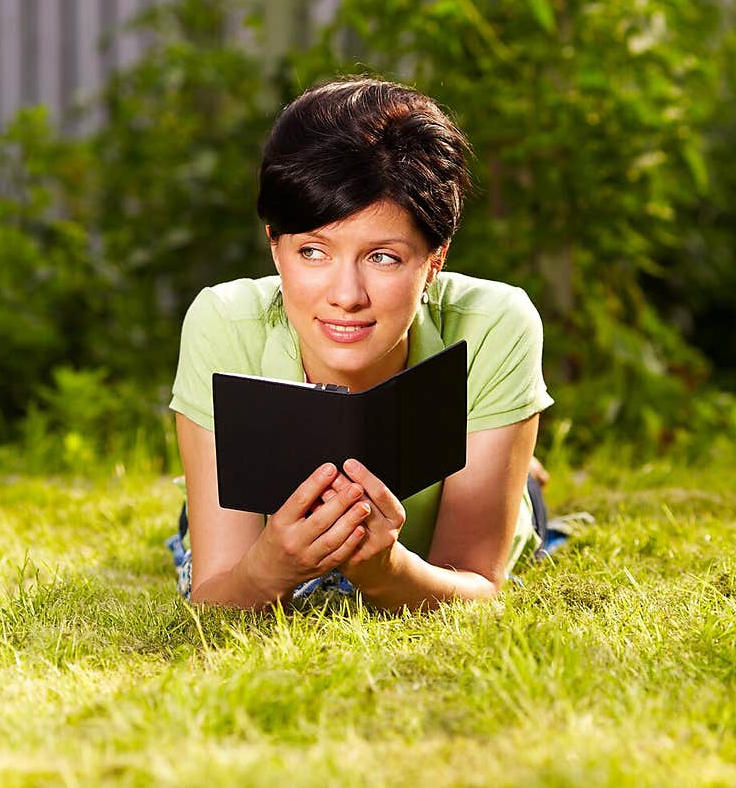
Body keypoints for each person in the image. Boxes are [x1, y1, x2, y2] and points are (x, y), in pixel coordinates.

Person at [168, 75, 555, 614]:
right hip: (264, 528)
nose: (346, 297)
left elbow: (477, 589)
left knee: (522, 506)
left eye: (383, 257)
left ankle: (515, 463)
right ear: (274, 247)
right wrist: (270, 567)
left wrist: (386, 570)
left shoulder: (494, 324)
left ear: (435, 258)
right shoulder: (224, 322)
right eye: (312, 252)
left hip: (448, 531)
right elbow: (215, 599)